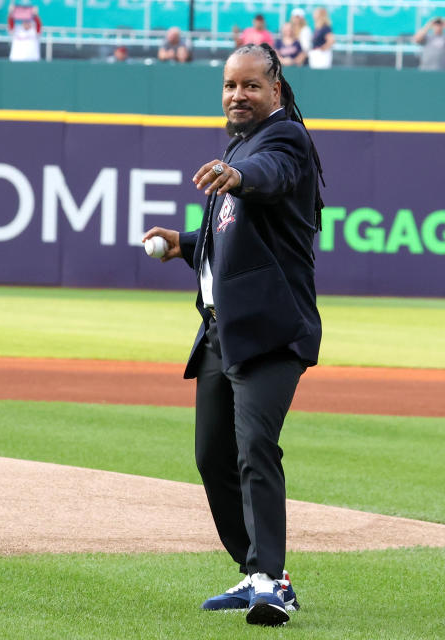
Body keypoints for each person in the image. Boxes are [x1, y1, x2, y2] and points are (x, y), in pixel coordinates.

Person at [141, 41, 325, 628]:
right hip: (223, 332)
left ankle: (272, 581)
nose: (237, 95)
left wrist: (240, 173)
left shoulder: (283, 140)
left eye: (250, 85)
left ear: (275, 89)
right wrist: (184, 243)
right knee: (210, 456)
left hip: (270, 331)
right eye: (229, 85)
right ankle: (257, 570)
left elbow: (267, 178)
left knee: (254, 448)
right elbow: (233, 241)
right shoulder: (239, 147)